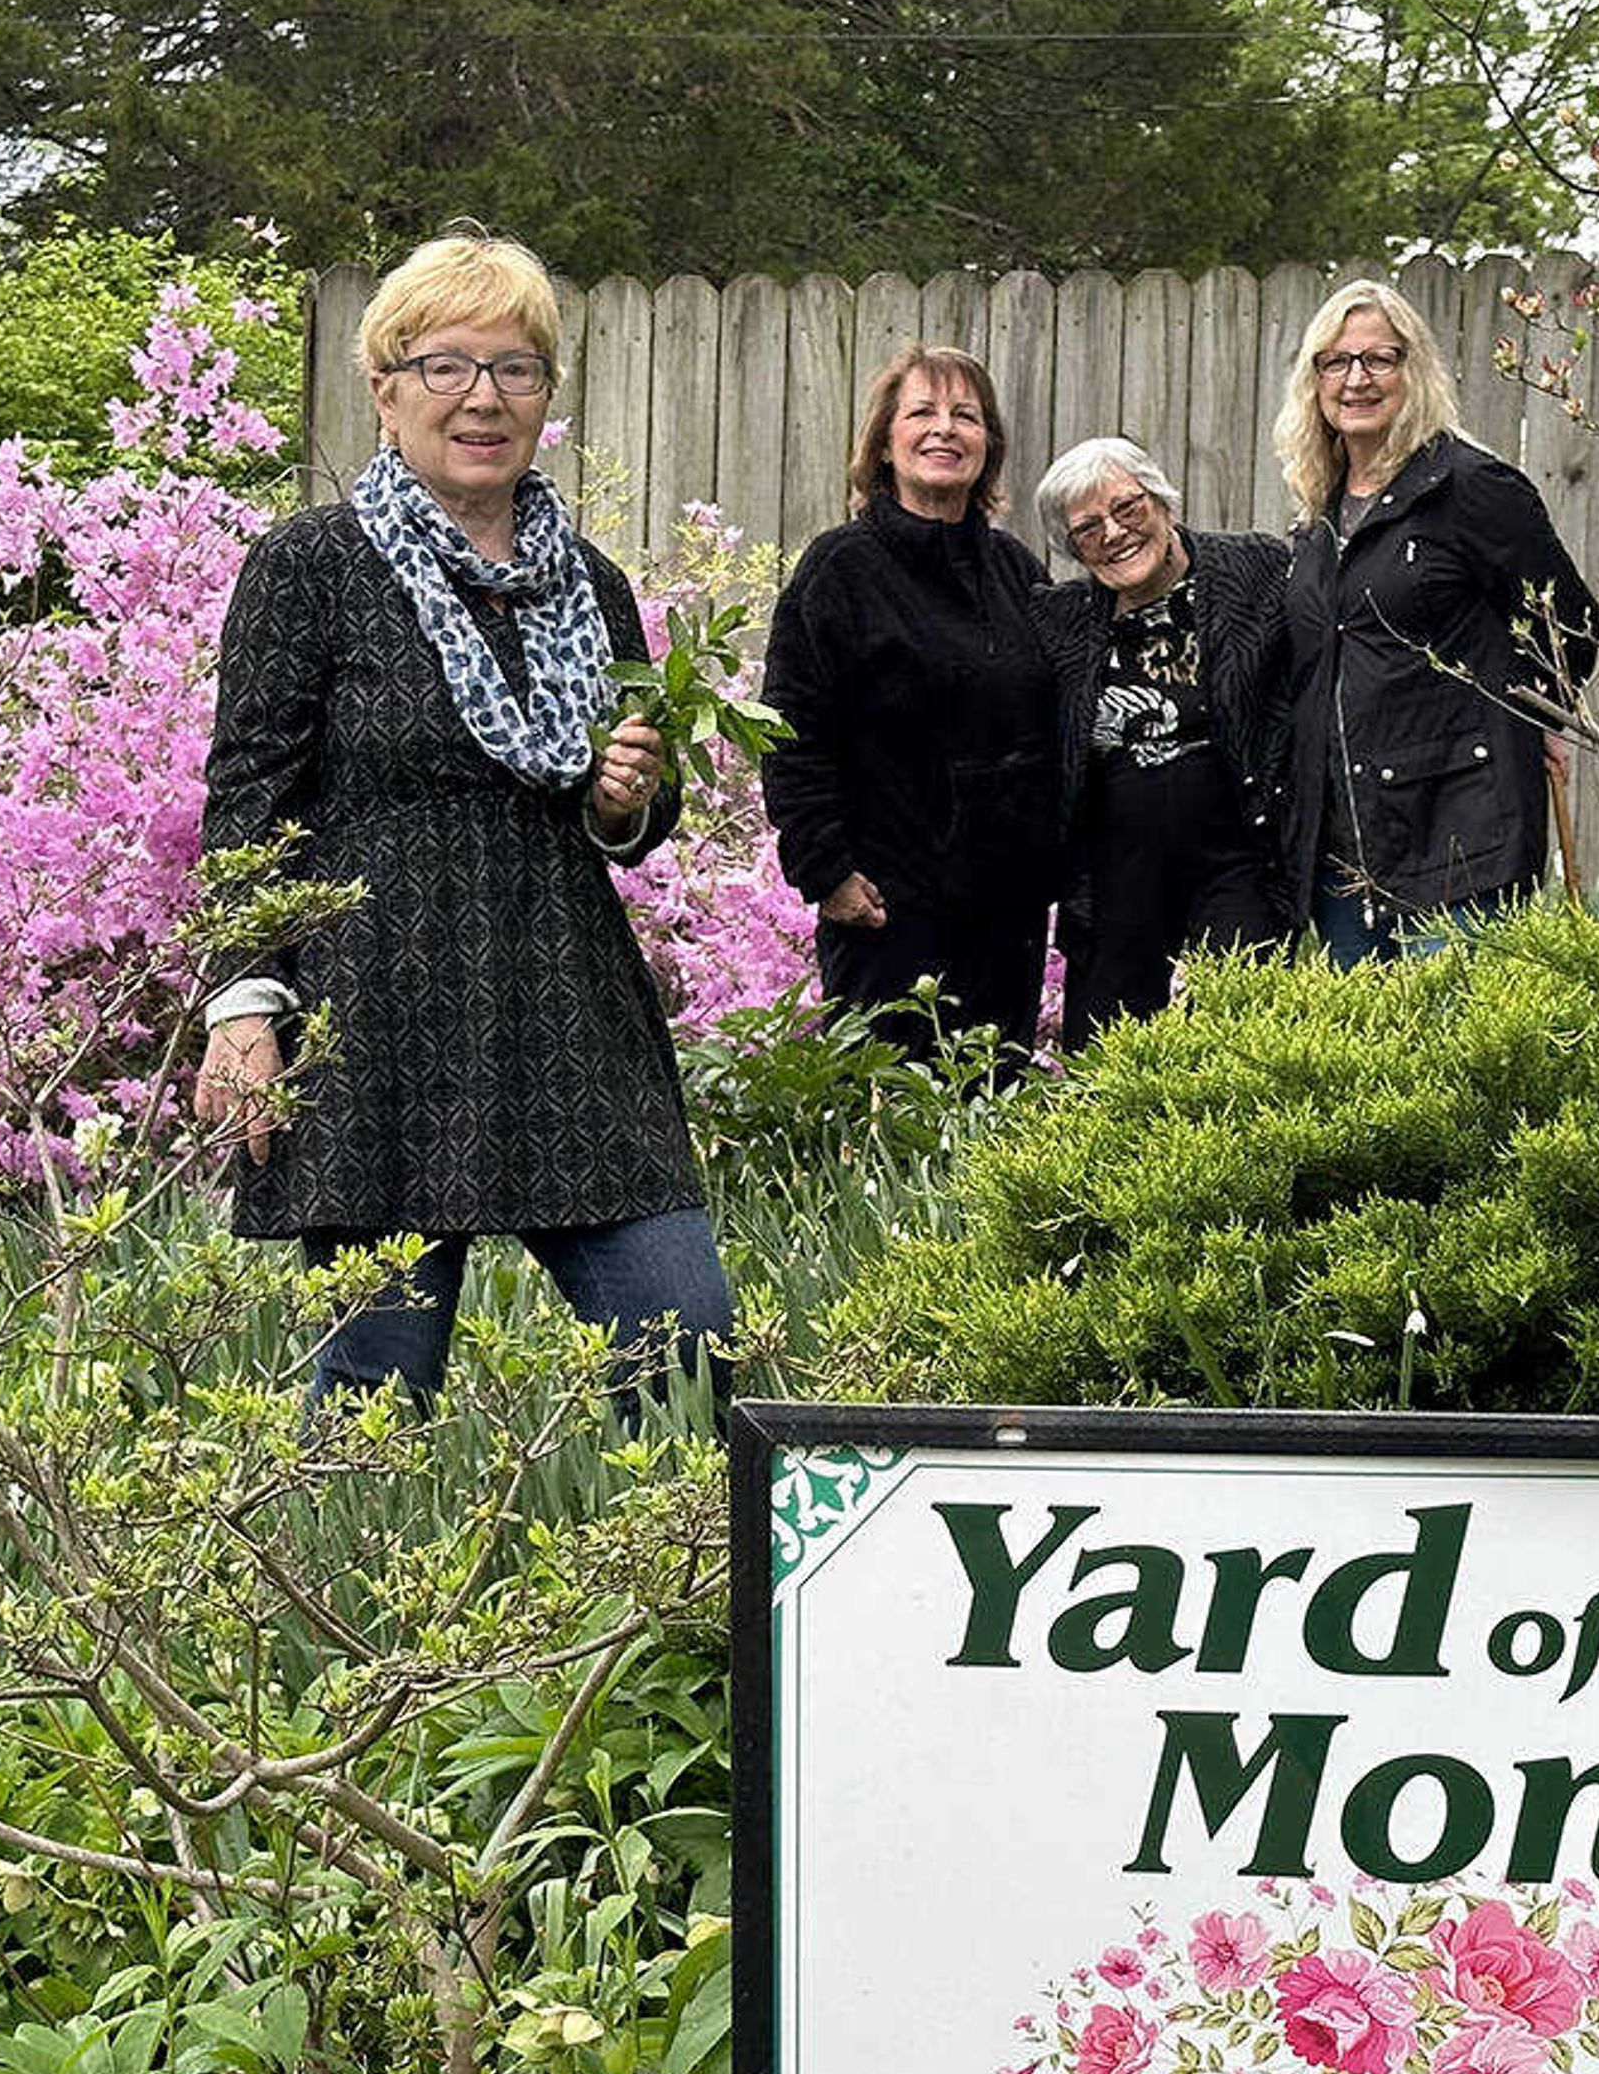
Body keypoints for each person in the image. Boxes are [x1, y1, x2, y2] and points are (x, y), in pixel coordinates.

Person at [190, 228, 734, 1414]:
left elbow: (636, 820)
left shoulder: (591, 585)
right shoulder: (312, 565)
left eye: (516, 369)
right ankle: (347, 1599)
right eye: (445, 366)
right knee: (377, 1400)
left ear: (546, 398)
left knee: (687, 1348)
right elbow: (245, 802)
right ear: (385, 390)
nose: (483, 398)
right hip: (377, 1014)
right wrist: (243, 1008)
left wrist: (622, 799)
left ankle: (676, 1593)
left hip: (567, 1012)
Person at [1276, 277, 1599, 964]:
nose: (1355, 379)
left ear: (1413, 368)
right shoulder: (1317, 520)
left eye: (1379, 358)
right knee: (1366, 1063)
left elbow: (1568, 625)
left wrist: (1532, 714)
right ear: (1314, 381)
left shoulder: (1472, 488)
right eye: (1335, 362)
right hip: (1346, 856)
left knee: (1452, 1058)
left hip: (1462, 841)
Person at [760, 345, 1068, 1064]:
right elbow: (790, 732)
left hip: (1007, 916)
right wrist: (825, 871)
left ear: (988, 443)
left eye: (965, 415)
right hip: (887, 912)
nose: (944, 429)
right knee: (896, 1141)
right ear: (884, 441)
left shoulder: (1016, 570)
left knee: (997, 1130)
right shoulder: (841, 570)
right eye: (922, 411)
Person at [1029, 434, 1298, 1045]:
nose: (1115, 533)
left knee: (1241, 1041)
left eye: (1128, 509)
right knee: (1107, 1055)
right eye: (1088, 529)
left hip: (1239, 856)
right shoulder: (1058, 620)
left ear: (1162, 502)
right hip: (1117, 871)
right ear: (1071, 549)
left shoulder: (1255, 569)